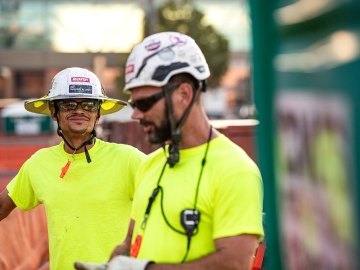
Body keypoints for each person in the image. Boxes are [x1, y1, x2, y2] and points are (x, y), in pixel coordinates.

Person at [75, 32, 264, 270]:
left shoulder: (235, 170)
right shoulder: (151, 165)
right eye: (134, 105)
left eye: (144, 103)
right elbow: (130, 243)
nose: (136, 114)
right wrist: (111, 264)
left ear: (183, 94)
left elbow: (234, 264)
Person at [0, 67, 146, 270]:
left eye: (88, 104)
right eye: (69, 104)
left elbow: (167, 203)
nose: (79, 110)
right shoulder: (39, 163)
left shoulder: (129, 159)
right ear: (53, 111)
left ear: (98, 113)